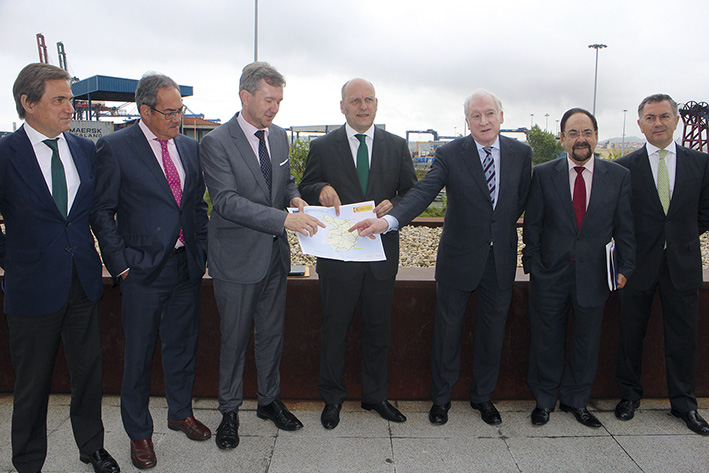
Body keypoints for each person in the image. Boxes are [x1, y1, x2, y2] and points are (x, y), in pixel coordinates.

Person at [350, 89, 532, 426]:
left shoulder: (521, 153)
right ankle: (441, 400)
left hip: (501, 261)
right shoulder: (451, 153)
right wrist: (388, 222)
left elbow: (519, 200)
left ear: (501, 117)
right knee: (447, 334)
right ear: (467, 122)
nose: (483, 121)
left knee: (492, 335)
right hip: (458, 259)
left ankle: (483, 398)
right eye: (475, 116)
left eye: (489, 113)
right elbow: (423, 191)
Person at [0, 63, 119, 473]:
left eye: (70, 99)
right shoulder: (5, 155)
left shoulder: (85, 150)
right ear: (28, 103)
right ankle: (28, 461)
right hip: (31, 288)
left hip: (83, 281)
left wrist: (116, 263)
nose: (71, 107)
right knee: (32, 383)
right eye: (60, 100)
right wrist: (12, 259)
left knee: (89, 373)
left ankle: (92, 448)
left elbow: (96, 215)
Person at [200, 62, 323, 450]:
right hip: (236, 258)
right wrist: (284, 221)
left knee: (271, 335)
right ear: (246, 96)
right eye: (269, 100)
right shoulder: (216, 142)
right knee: (234, 339)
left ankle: (269, 401)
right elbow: (225, 202)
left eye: (279, 101)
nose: (275, 108)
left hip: (274, 257)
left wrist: (294, 198)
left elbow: (284, 181)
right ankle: (229, 412)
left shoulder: (280, 137)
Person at [90, 73, 210, 468]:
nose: (178, 118)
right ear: (145, 111)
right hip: (141, 273)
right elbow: (101, 212)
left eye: (180, 110)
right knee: (138, 357)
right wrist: (121, 266)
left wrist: (201, 253)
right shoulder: (115, 147)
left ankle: (180, 413)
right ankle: (139, 434)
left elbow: (195, 207)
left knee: (181, 348)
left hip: (184, 268)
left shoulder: (190, 149)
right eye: (170, 112)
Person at [298, 78, 417, 429]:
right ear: (342, 107)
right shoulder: (322, 146)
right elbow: (305, 185)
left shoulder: (396, 146)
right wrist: (321, 189)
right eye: (354, 101)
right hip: (338, 257)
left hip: (380, 256)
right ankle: (332, 398)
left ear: (377, 104)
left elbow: (412, 194)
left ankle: (376, 396)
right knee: (335, 330)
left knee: (379, 330)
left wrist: (393, 205)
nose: (362, 106)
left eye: (368, 100)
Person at [522, 108, 635, 428]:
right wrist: (532, 264)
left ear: (596, 136)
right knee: (546, 340)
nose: (580, 139)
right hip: (550, 274)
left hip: (595, 275)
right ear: (562, 139)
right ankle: (543, 401)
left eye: (586, 132)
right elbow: (534, 224)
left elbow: (625, 227)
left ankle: (577, 400)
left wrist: (626, 266)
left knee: (587, 343)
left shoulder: (618, 176)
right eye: (573, 133)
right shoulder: (543, 174)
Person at [614, 94, 709, 435]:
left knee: (683, 337)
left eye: (664, 116)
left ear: (676, 120)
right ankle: (628, 397)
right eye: (651, 117)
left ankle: (684, 405)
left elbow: (705, 211)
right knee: (630, 334)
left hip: (682, 265)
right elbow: (620, 217)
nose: (658, 123)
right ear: (640, 124)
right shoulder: (625, 167)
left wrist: (680, 235)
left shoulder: (700, 163)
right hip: (638, 264)